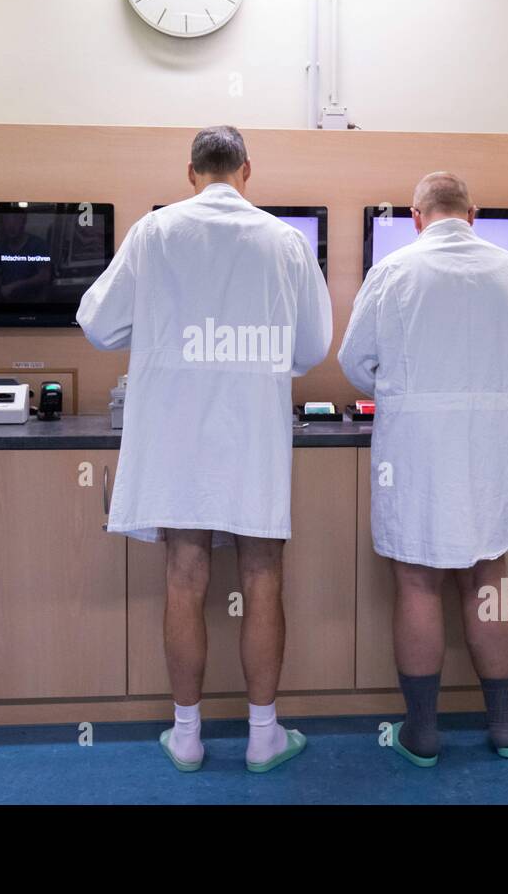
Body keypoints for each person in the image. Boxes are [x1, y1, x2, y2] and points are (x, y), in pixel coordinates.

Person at [77, 125, 333, 773]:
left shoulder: (155, 232)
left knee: (184, 577)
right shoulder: (286, 241)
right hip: (254, 433)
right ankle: (264, 736)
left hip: (176, 433)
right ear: (248, 170)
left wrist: (160, 321)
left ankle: (186, 737)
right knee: (262, 576)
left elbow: (99, 323)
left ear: (190, 172)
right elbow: (310, 350)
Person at [338, 171, 508, 767]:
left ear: (415, 216)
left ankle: (424, 732)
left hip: (414, 449)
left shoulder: (393, 272)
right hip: (486, 448)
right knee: (488, 579)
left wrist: (405, 385)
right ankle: (505, 725)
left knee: (416, 581)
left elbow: (356, 363)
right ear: (473, 213)